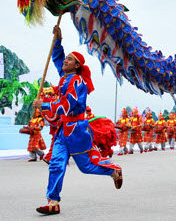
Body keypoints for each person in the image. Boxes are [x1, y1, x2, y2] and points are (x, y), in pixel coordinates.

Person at [33, 25, 122, 215]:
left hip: (77, 130)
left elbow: (67, 105)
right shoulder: (65, 78)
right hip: (62, 131)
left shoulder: (78, 82)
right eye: (66, 58)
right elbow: (57, 59)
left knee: (86, 167)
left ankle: (113, 171)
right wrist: (58, 40)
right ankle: (53, 202)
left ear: (77, 66)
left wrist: (44, 105)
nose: (65, 61)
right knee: (56, 164)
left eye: (69, 59)